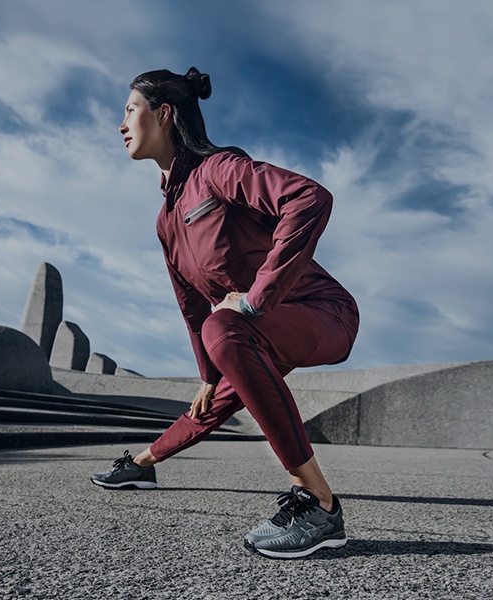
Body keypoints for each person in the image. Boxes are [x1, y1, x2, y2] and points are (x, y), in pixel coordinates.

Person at [90, 67, 359, 559]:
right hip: (252, 329)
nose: (121, 123)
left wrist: (258, 296)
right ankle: (142, 465)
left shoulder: (218, 170)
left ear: (165, 114)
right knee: (207, 397)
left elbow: (309, 198)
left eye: (130, 110)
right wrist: (208, 376)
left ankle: (321, 506)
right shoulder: (166, 222)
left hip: (324, 313)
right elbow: (191, 309)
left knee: (225, 326)